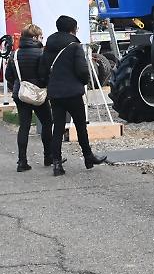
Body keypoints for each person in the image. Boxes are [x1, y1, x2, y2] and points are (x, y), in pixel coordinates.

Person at [39, 15, 107, 176]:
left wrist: (50, 82)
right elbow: (83, 70)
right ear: (72, 29)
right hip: (73, 92)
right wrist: (83, 82)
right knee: (80, 126)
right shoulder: (74, 46)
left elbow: (42, 71)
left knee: (58, 127)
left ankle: (57, 163)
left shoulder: (48, 46)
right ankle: (88, 157)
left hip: (55, 93)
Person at [5, 24, 54, 173]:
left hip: (21, 94)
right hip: (38, 94)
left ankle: (22, 161)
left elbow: (9, 76)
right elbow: (45, 75)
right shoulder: (42, 53)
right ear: (35, 37)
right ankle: (48, 156)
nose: (42, 39)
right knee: (47, 122)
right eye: (41, 36)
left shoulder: (15, 54)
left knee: (24, 126)